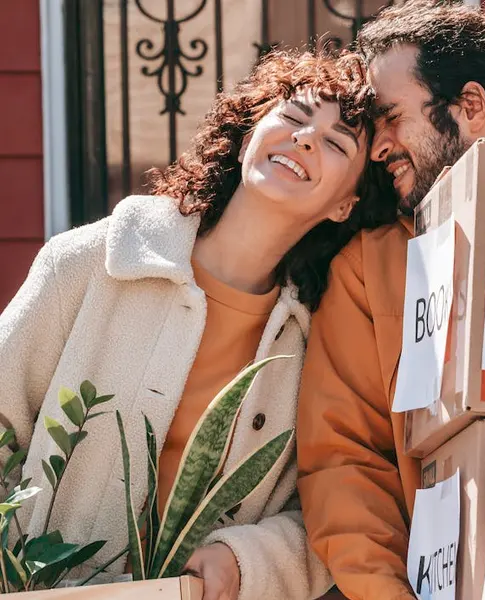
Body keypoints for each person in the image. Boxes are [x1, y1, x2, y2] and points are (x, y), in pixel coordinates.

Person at [0, 49, 397, 600]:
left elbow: (327, 506)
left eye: (335, 143)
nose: (306, 139)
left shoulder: (319, 338)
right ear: (247, 133)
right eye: (293, 116)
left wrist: (245, 562)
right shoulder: (95, 263)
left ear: (345, 206)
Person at [296, 2, 485, 598]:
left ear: (469, 106)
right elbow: (346, 464)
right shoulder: (371, 268)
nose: (377, 146)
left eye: (389, 118)